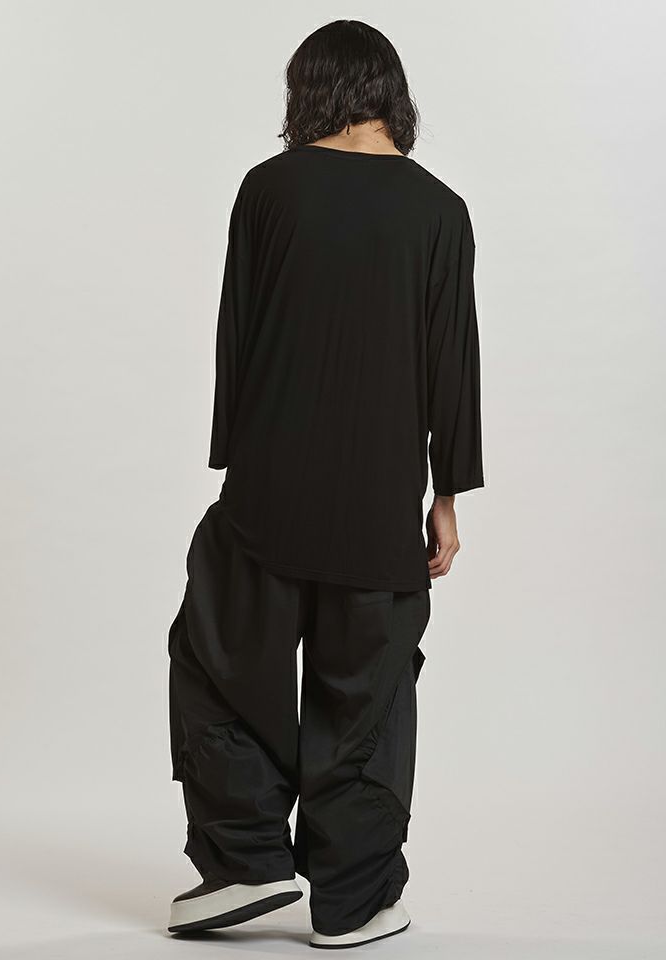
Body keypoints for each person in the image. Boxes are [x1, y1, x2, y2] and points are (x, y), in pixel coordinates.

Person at [166, 18, 484, 950]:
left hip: (268, 491)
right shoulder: (441, 210)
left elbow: (238, 332)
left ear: (311, 91)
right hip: (379, 503)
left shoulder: (268, 190)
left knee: (223, 659)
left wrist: (236, 459)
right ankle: (356, 898)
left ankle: (244, 861)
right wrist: (446, 496)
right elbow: (452, 363)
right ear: (392, 93)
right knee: (366, 695)